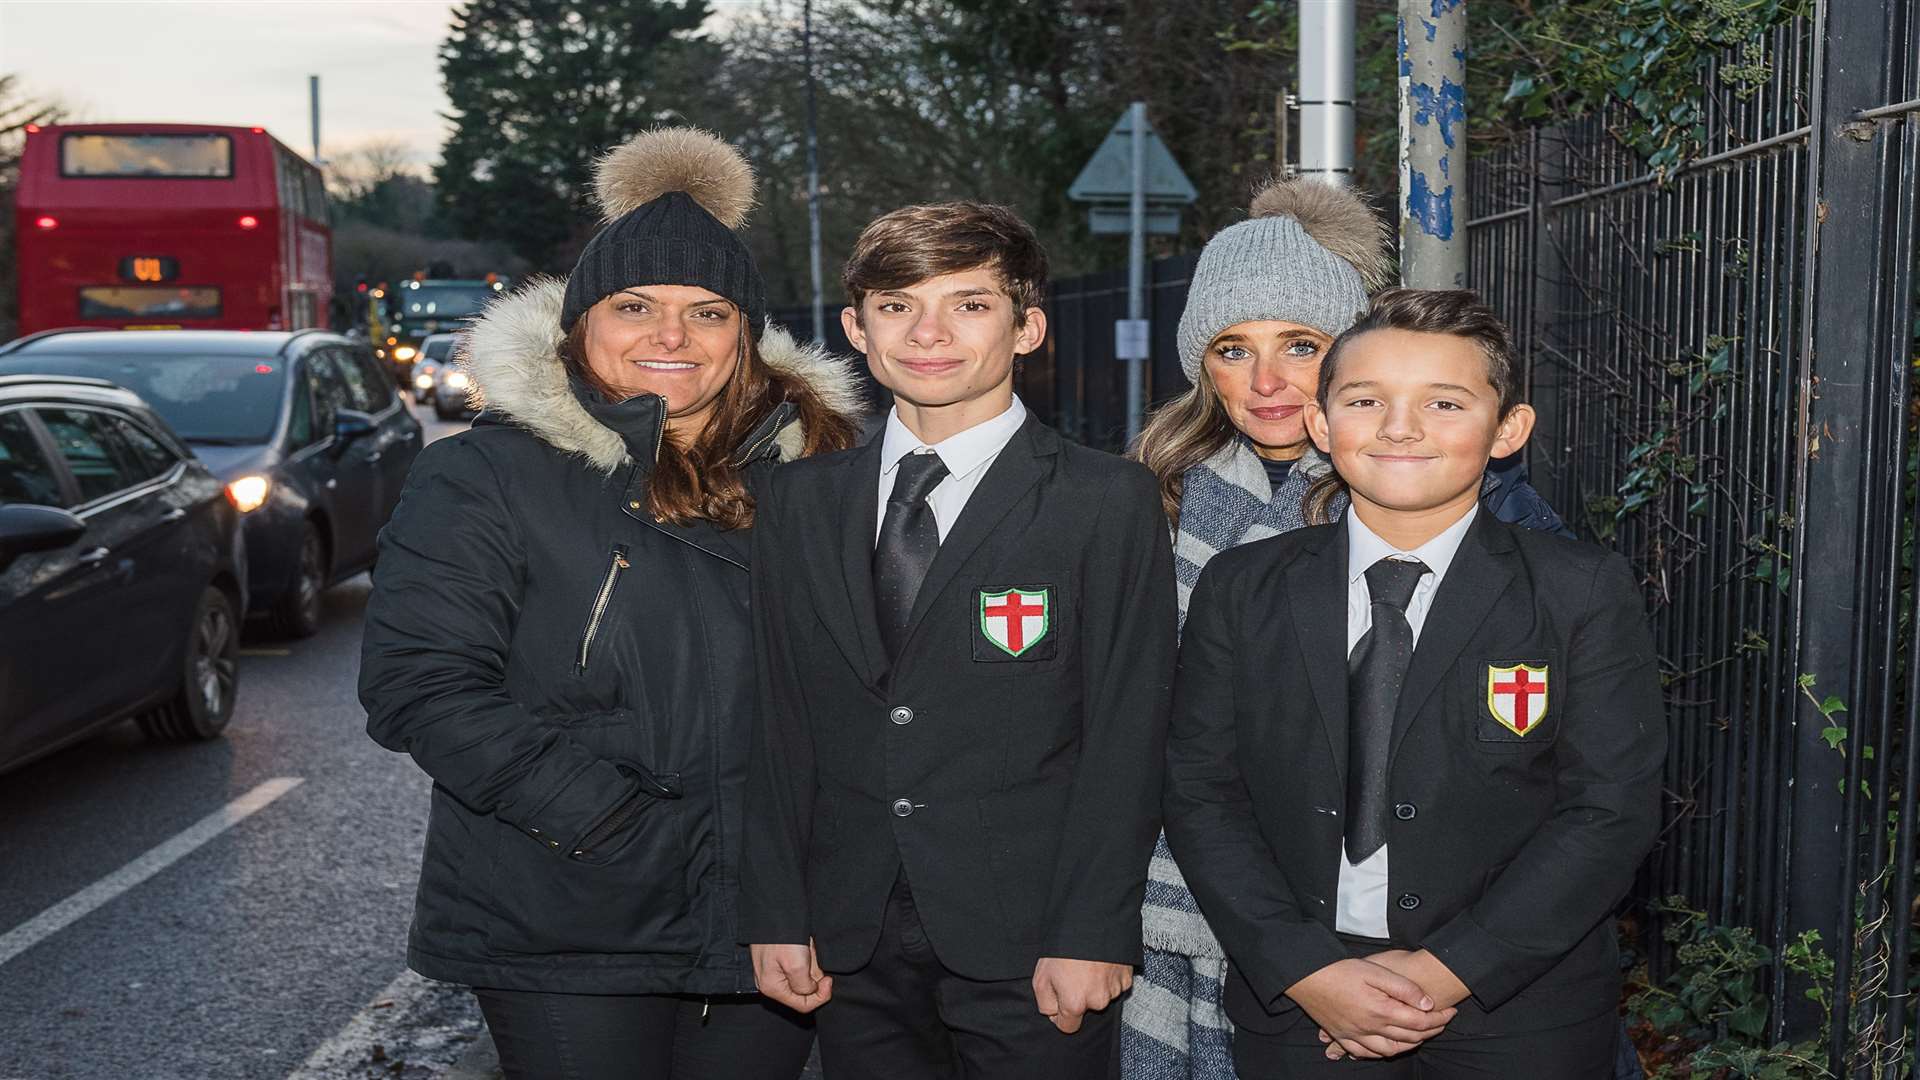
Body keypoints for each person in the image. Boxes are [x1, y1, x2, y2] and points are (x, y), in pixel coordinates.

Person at [359, 127, 863, 1080]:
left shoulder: (818, 479)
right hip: (568, 911)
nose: (671, 337)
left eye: (707, 312)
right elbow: (418, 685)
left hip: (769, 920)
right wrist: (604, 820)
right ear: (580, 325)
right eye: (635, 306)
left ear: (745, 337)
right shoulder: (486, 475)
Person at [1124, 178, 1570, 1080]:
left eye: (1300, 344)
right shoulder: (1151, 491)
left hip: (1413, 922)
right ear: (1196, 363)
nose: (1266, 381)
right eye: (1230, 348)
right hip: (1180, 885)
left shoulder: (1469, 505)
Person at [1162, 288, 1665, 1079]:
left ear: (1508, 431)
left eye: (1444, 402)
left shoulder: (1579, 589)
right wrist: (1303, 967)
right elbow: (1199, 790)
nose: (1401, 427)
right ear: (1322, 426)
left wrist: (1446, 971)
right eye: (1367, 400)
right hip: (1304, 1006)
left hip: (1519, 1007)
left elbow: (1608, 808)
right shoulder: (1242, 587)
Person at [740, 201, 1177, 1079]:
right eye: (898, 304)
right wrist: (776, 911)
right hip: (849, 934)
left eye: (970, 304)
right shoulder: (799, 501)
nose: (929, 332)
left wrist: (1092, 928)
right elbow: (779, 721)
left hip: (1033, 941)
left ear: (1029, 328)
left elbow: (1130, 732)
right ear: (857, 329)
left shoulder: (1104, 501)